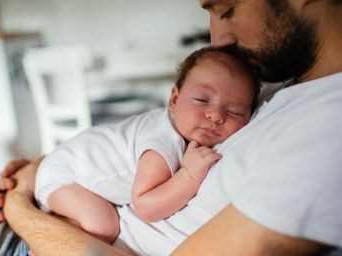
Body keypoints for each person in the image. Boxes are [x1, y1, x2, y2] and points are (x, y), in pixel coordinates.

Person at [0, 0, 341, 255]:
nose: (218, 37)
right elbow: (143, 139)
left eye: (227, 8)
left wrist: (20, 206)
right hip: (73, 221)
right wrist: (46, 168)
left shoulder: (328, 128)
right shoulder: (278, 85)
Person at [33, 47, 259, 245]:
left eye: (235, 111)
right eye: (201, 100)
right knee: (104, 225)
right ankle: (44, 239)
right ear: (174, 100)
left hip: (70, 162)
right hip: (63, 175)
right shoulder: (163, 142)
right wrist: (190, 175)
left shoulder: (183, 129)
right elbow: (146, 207)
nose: (216, 115)